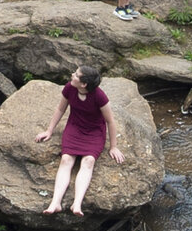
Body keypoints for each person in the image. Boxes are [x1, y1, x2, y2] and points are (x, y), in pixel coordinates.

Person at [35, 64, 125, 214]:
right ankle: (55, 203)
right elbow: (60, 109)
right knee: (66, 160)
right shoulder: (69, 88)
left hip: (94, 132)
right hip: (74, 128)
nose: (72, 75)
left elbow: (110, 121)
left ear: (84, 84)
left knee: (88, 161)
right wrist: (49, 130)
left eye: (76, 75)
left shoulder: (99, 96)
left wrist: (113, 146)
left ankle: (76, 204)